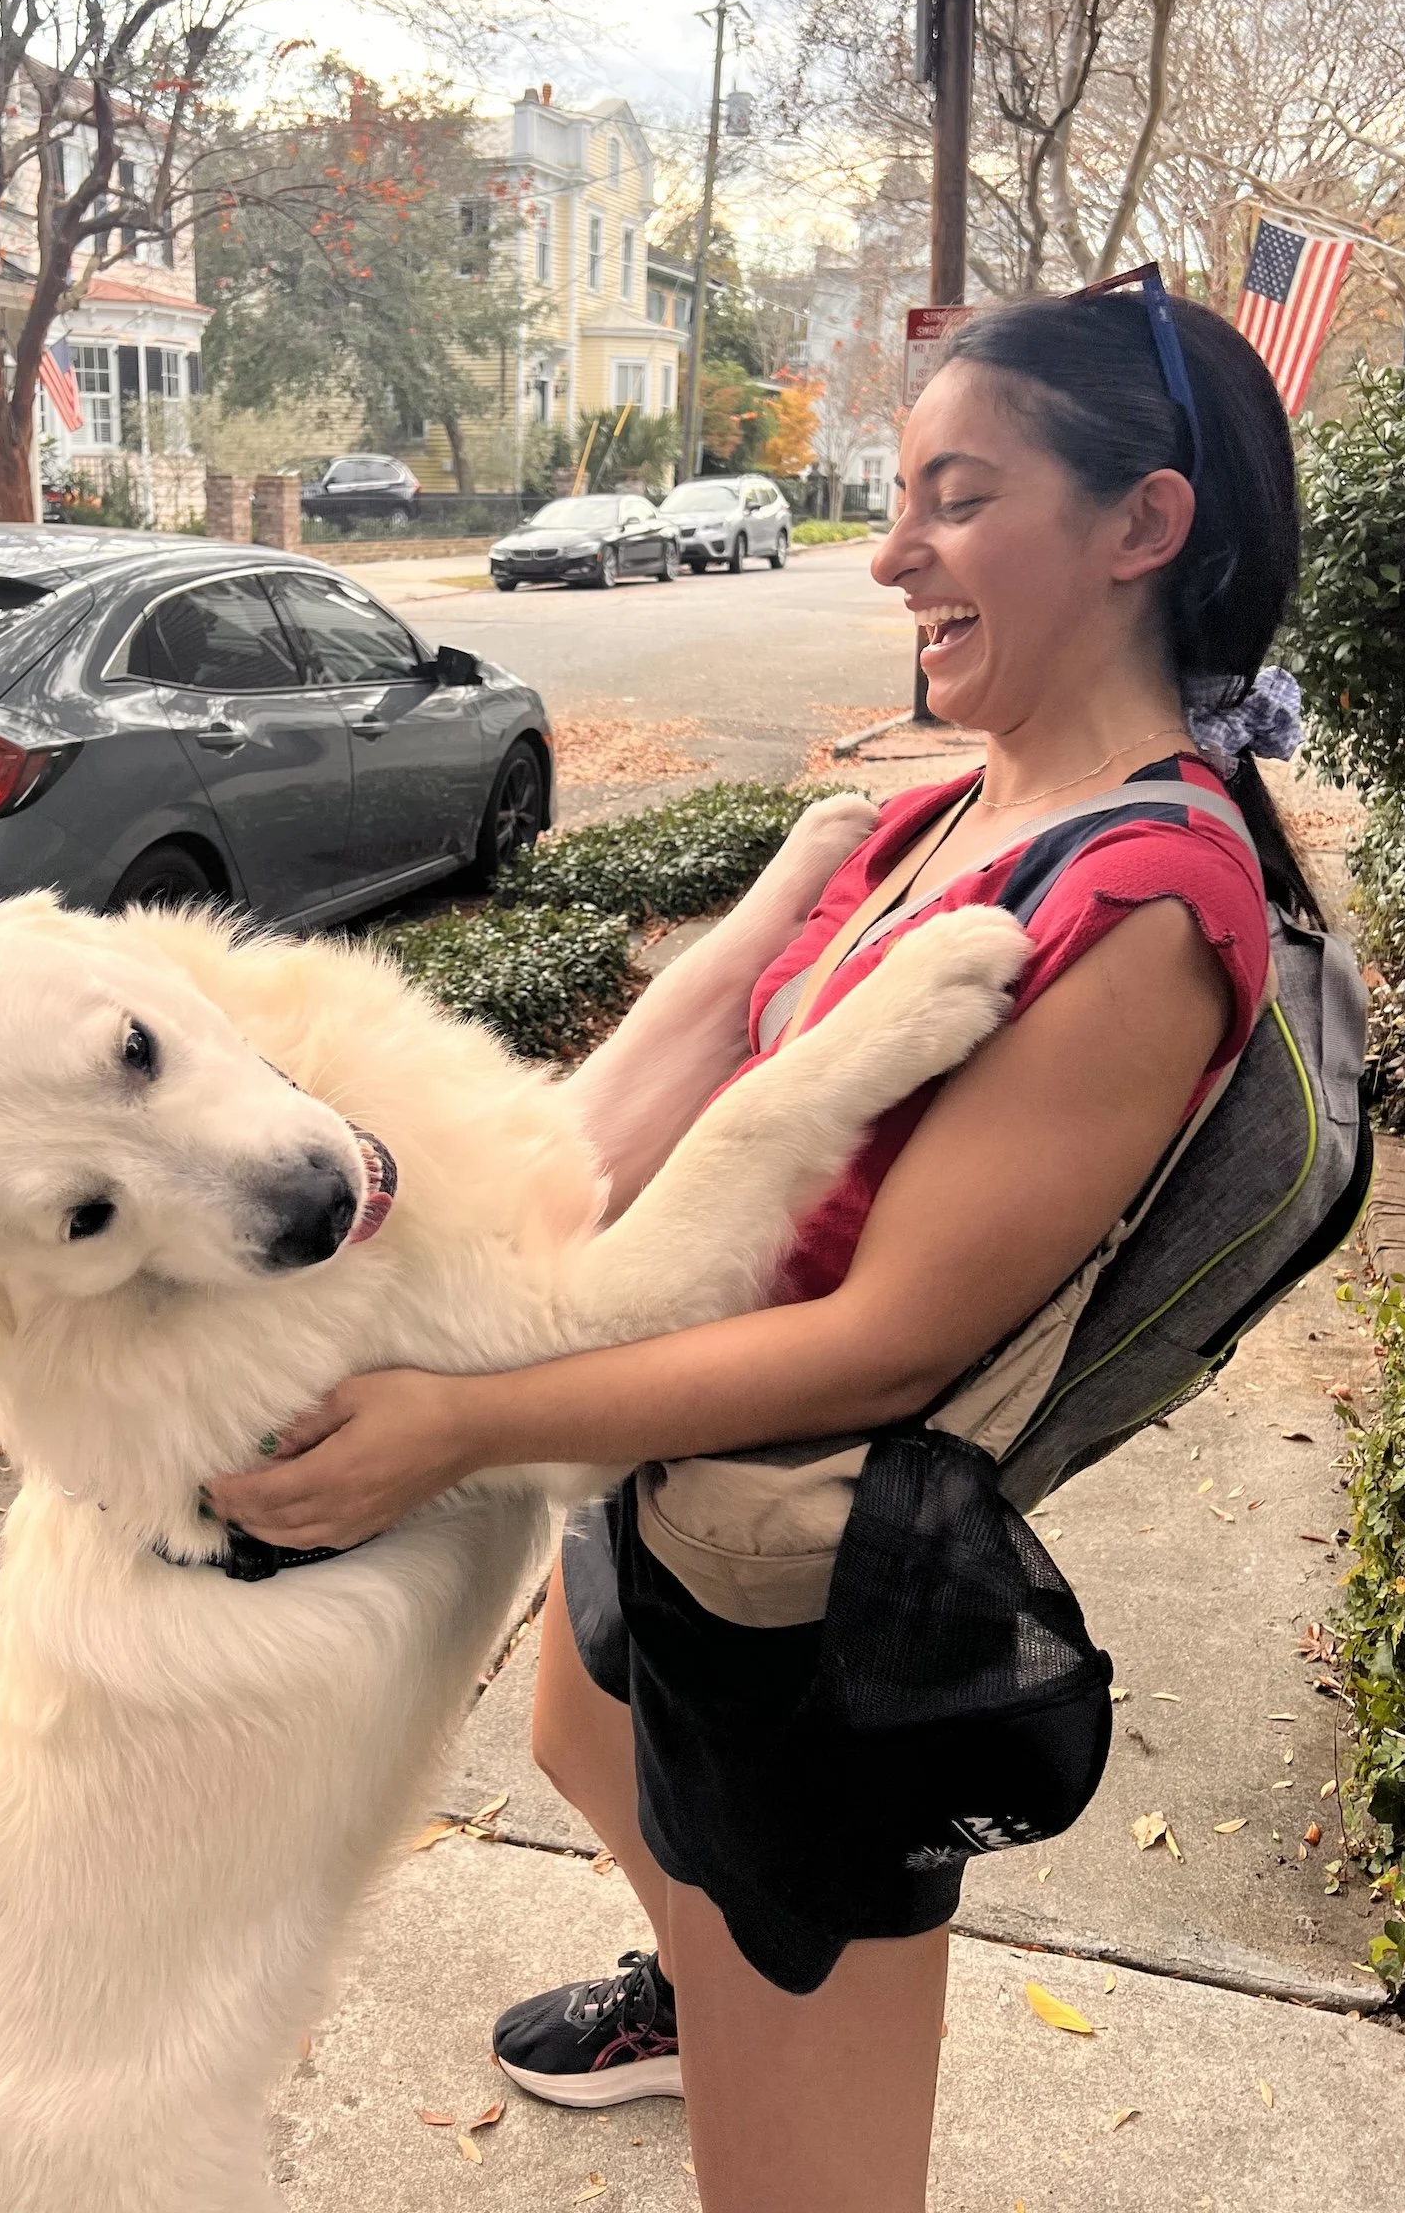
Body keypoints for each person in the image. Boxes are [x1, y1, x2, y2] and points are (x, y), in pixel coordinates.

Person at [209, 277, 1317, 2212]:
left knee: (802, 2179)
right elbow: (702, 1064)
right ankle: (698, 1988)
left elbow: (886, 1346)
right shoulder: (962, 801)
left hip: (803, 1587)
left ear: (1145, 527)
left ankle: (752, 2011)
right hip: (662, 1457)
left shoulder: (1144, 898)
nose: (894, 554)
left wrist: (455, 1428)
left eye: (957, 501)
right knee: (579, 1728)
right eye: (901, 499)